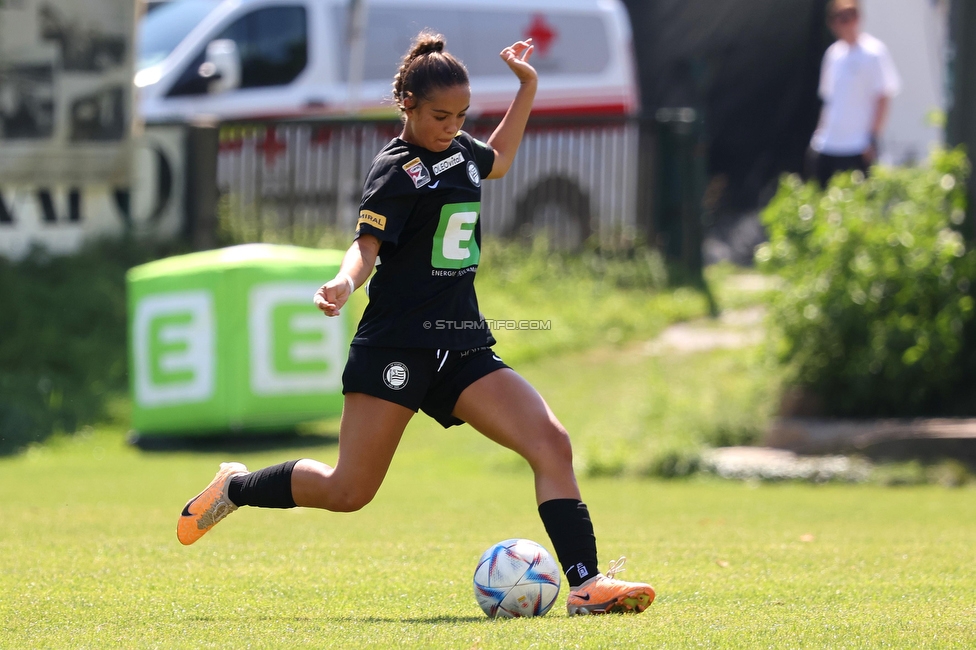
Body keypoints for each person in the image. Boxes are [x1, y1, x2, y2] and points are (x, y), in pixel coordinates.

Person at [176, 31, 655, 617]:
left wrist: (526, 87)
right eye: (438, 115)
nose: (451, 126)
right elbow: (366, 247)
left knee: (551, 443)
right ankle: (235, 487)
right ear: (406, 103)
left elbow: (498, 161)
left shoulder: (458, 152)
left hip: (461, 346)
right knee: (347, 491)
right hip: (395, 348)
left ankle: (586, 585)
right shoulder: (396, 170)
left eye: (460, 115)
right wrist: (344, 282)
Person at [808, 0, 901, 188]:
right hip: (830, 144)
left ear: (859, 18)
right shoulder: (832, 55)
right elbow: (829, 100)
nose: (845, 22)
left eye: (850, 16)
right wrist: (818, 136)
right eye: (839, 17)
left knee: (861, 204)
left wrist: (872, 138)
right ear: (832, 22)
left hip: (858, 145)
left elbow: (883, 97)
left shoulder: (874, 52)